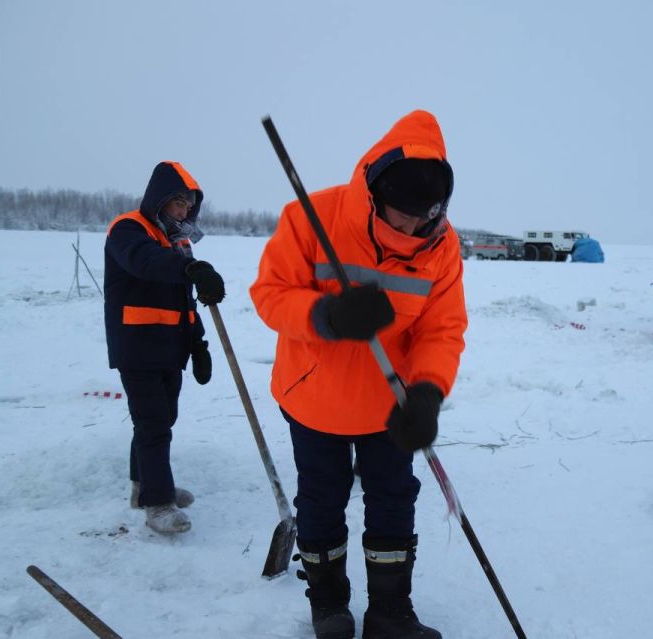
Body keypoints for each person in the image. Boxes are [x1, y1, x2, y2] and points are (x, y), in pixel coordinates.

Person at [251, 110, 467, 639]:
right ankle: (328, 606)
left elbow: (441, 330)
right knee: (321, 501)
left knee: (393, 501)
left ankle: (390, 613)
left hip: (389, 405)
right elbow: (270, 295)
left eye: (422, 221)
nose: (410, 232)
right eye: (400, 219)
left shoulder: (442, 247)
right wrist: (326, 315)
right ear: (374, 194)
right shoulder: (312, 217)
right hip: (313, 397)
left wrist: (427, 393)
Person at [104, 161, 225, 534]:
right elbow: (144, 262)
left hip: (170, 348)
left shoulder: (179, 242)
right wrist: (190, 268)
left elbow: (185, 301)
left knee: (160, 419)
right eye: (178, 202)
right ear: (159, 199)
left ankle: (143, 487)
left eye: (189, 205)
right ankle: (157, 504)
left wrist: (198, 343)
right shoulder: (128, 229)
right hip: (137, 346)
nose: (184, 211)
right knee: (153, 423)